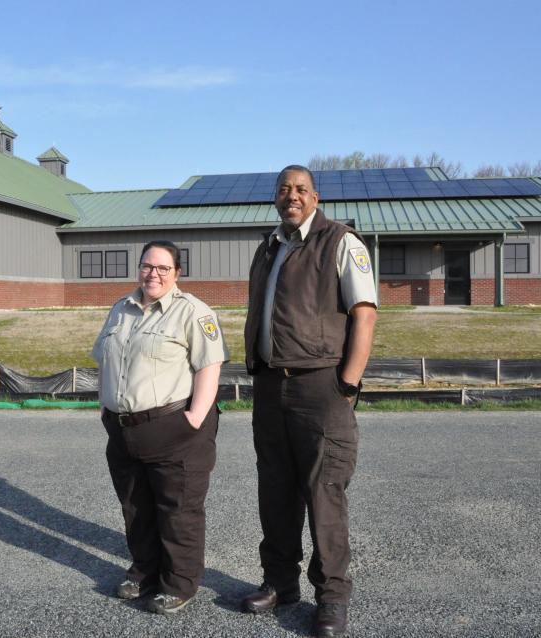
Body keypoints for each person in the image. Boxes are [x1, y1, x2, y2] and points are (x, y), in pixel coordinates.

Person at [240, 166, 377, 637]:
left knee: (324, 493)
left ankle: (332, 598)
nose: (291, 195)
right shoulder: (268, 247)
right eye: (284, 189)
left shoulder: (340, 242)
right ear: (275, 197)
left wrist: (347, 384)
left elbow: (364, 316)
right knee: (274, 491)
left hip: (321, 385)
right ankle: (280, 583)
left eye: (300, 189)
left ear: (315, 196)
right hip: (269, 386)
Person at [92, 240, 229, 615]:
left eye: (162, 268)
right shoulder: (121, 309)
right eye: (147, 266)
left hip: (173, 426)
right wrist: (104, 405)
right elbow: (104, 358)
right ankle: (144, 572)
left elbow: (209, 366)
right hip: (124, 429)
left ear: (177, 273)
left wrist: (195, 418)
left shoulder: (193, 313)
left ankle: (178, 583)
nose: (153, 274)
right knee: (135, 506)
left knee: (178, 509)